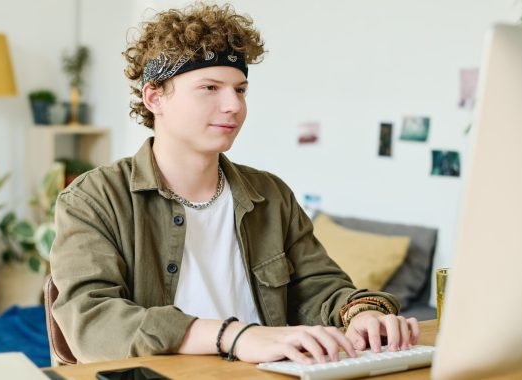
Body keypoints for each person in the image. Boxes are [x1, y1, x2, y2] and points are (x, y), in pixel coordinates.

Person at [50, 2, 420, 365]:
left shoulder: (271, 195)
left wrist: (362, 316)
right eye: (210, 88)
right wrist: (235, 335)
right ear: (154, 97)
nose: (234, 106)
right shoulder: (94, 199)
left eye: (240, 90)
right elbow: (90, 321)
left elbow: (320, 286)